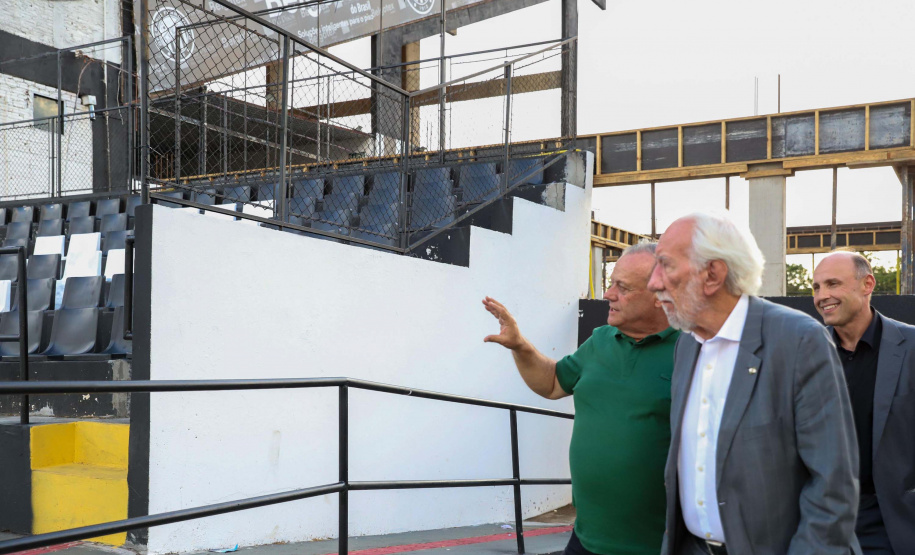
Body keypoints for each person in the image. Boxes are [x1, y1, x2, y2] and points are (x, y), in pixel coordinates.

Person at [647, 212, 861, 555]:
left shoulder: (798, 340)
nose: (653, 282)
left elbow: (833, 487)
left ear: (713, 275)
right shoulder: (687, 344)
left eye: (665, 265)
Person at [483, 242, 677, 555]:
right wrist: (520, 346)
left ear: (659, 294)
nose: (608, 294)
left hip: (655, 546)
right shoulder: (601, 339)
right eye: (611, 283)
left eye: (622, 287)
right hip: (585, 539)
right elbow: (552, 383)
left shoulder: (694, 351)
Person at [812, 251, 915, 555]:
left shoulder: (910, 347)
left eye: (833, 284)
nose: (822, 296)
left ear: (867, 284)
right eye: (816, 287)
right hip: (823, 524)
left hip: (893, 525)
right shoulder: (807, 355)